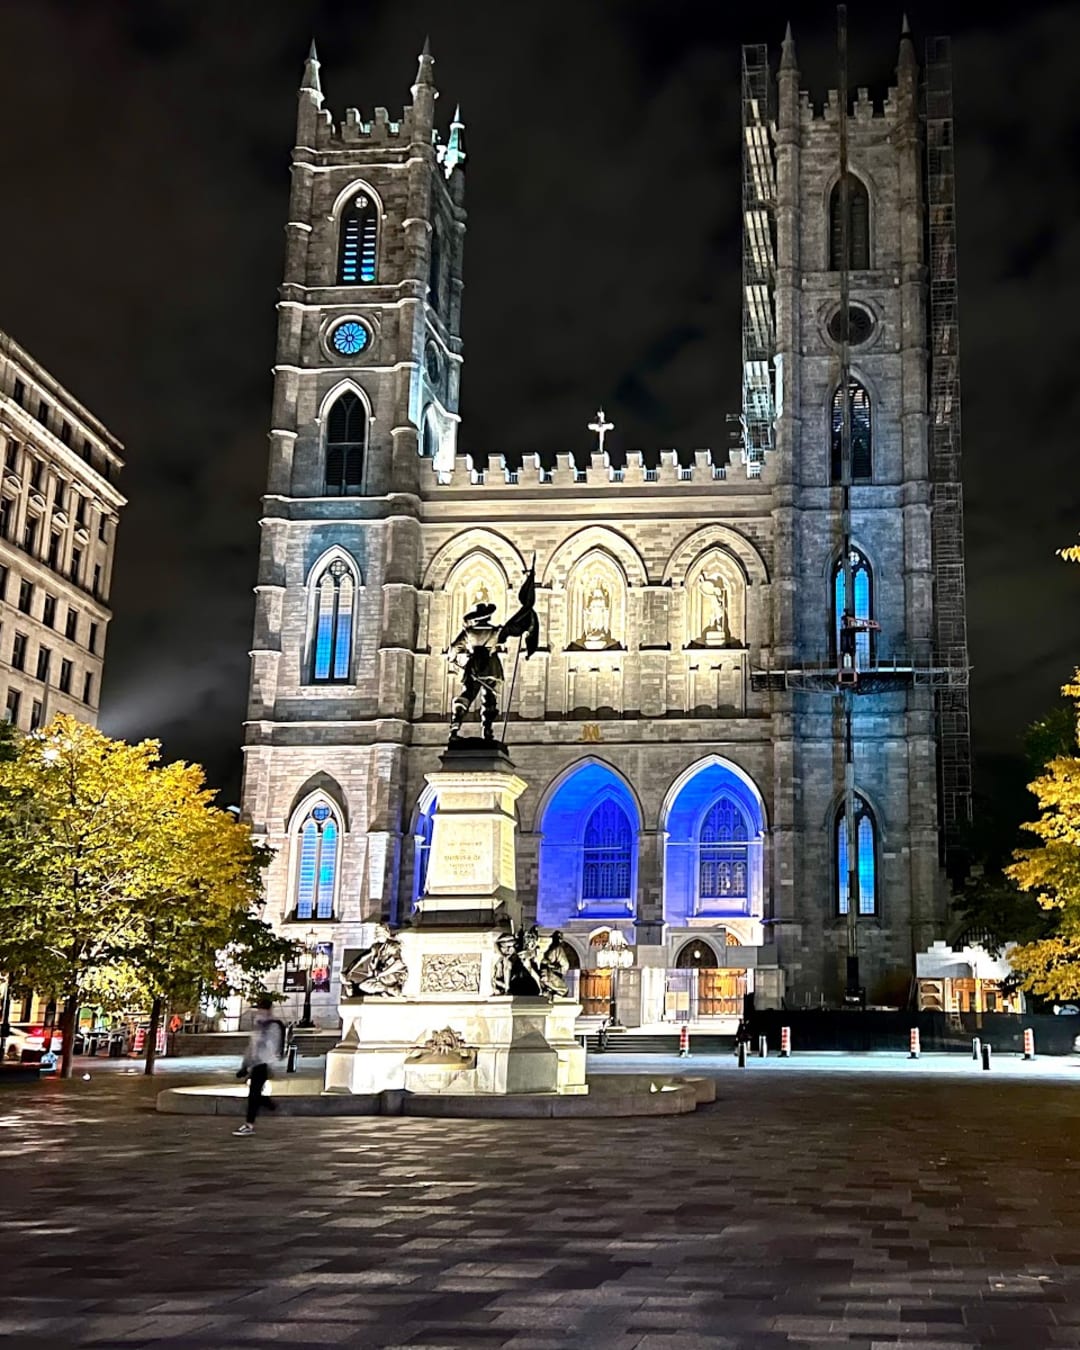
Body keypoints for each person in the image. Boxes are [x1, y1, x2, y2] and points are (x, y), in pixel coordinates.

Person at [233, 995, 287, 1136]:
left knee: (253, 1094)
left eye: (262, 1009)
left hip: (263, 1064)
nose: (260, 1012)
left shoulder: (271, 1026)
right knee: (254, 1094)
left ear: (268, 1010)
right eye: (259, 1009)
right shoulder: (259, 1025)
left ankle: (249, 1124)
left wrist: (257, 1061)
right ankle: (268, 1104)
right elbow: (251, 1047)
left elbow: (271, 1048)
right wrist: (245, 1065)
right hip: (256, 1064)